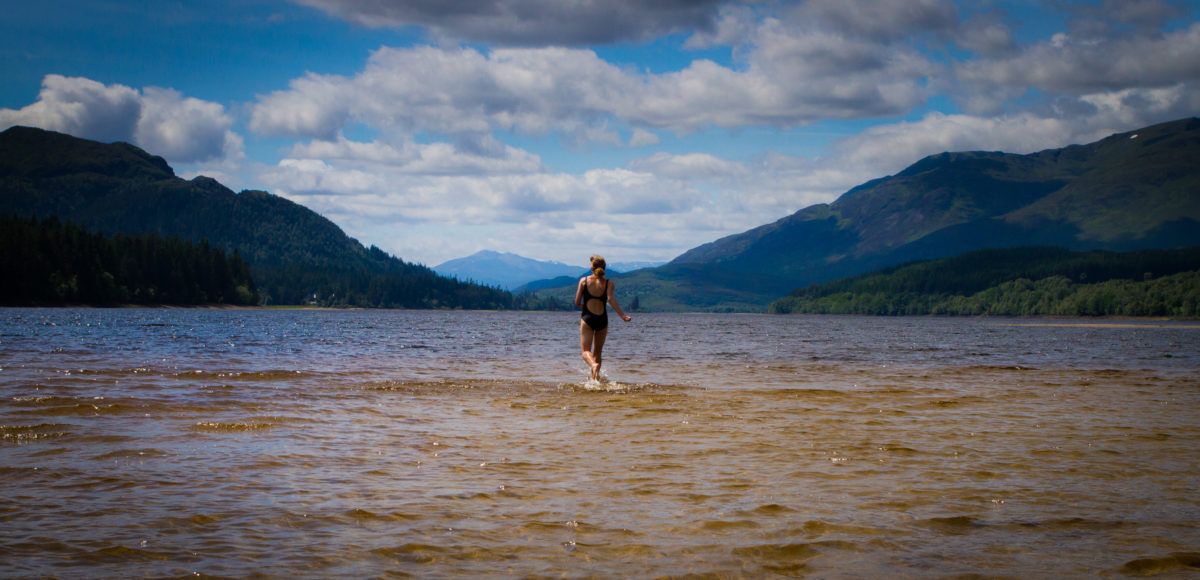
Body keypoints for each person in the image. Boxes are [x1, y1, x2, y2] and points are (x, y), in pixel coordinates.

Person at [575, 255, 632, 381]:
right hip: (602, 320)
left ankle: (593, 365)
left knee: (585, 351)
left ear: (591, 268)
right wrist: (622, 316)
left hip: (587, 318)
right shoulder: (609, 283)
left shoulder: (584, 281)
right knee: (598, 352)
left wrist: (586, 305)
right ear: (604, 268)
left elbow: (577, 302)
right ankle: (595, 380)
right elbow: (611, 300)